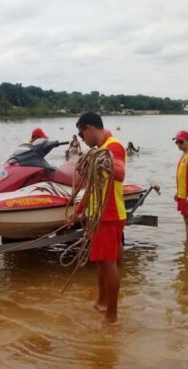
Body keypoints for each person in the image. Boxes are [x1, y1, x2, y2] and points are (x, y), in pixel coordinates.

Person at [71, 112, 127, 325]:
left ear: (89, 128)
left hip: (109, 214)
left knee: (109, 263)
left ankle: (111, 316)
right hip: (98, 215)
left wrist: (107, 164)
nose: (81, 139)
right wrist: (78, 211)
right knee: (101, 263)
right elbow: (93, 186)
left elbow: (120, 172)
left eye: (80, 133)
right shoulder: (100, 150)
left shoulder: (113, 147)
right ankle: (102, 302)